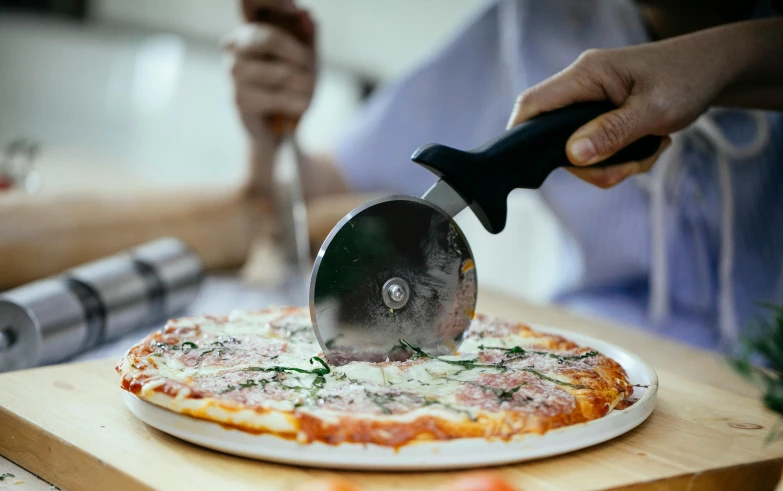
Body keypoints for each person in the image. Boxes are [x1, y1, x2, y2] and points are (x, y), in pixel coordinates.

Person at [224, 0, 783, 352]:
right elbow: (325, 191)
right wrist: (274, 125)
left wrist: (728, 59)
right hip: (600, 352)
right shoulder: (533, 22)